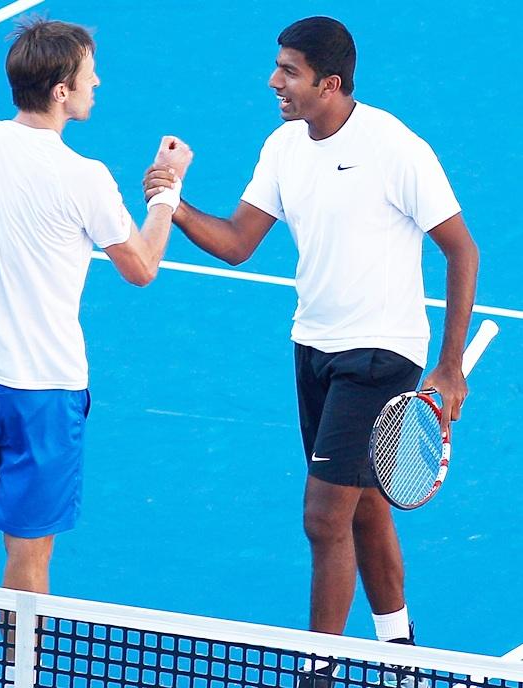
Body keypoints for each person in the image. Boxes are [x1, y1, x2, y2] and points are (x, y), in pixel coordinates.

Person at [143, 14, 478, 683]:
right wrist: (174, 206)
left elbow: (461, 248)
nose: (274, 81)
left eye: (288, 71)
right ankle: (400, 651)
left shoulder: (395, 147)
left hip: (380, 354)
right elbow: (238, 242)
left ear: (330, 83)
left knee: (323, 516)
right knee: (365, 505)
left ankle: (316, 671)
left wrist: (448, 364)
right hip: (315, 349)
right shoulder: (284, 147)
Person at [0, 17, 191, 687]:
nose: (96, 82)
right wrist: (167, 196)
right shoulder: (85, 178)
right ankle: (19, 678)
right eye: (88, 74)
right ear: (58, 91)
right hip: (43, 395)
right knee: (30, 551)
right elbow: (140, 267)